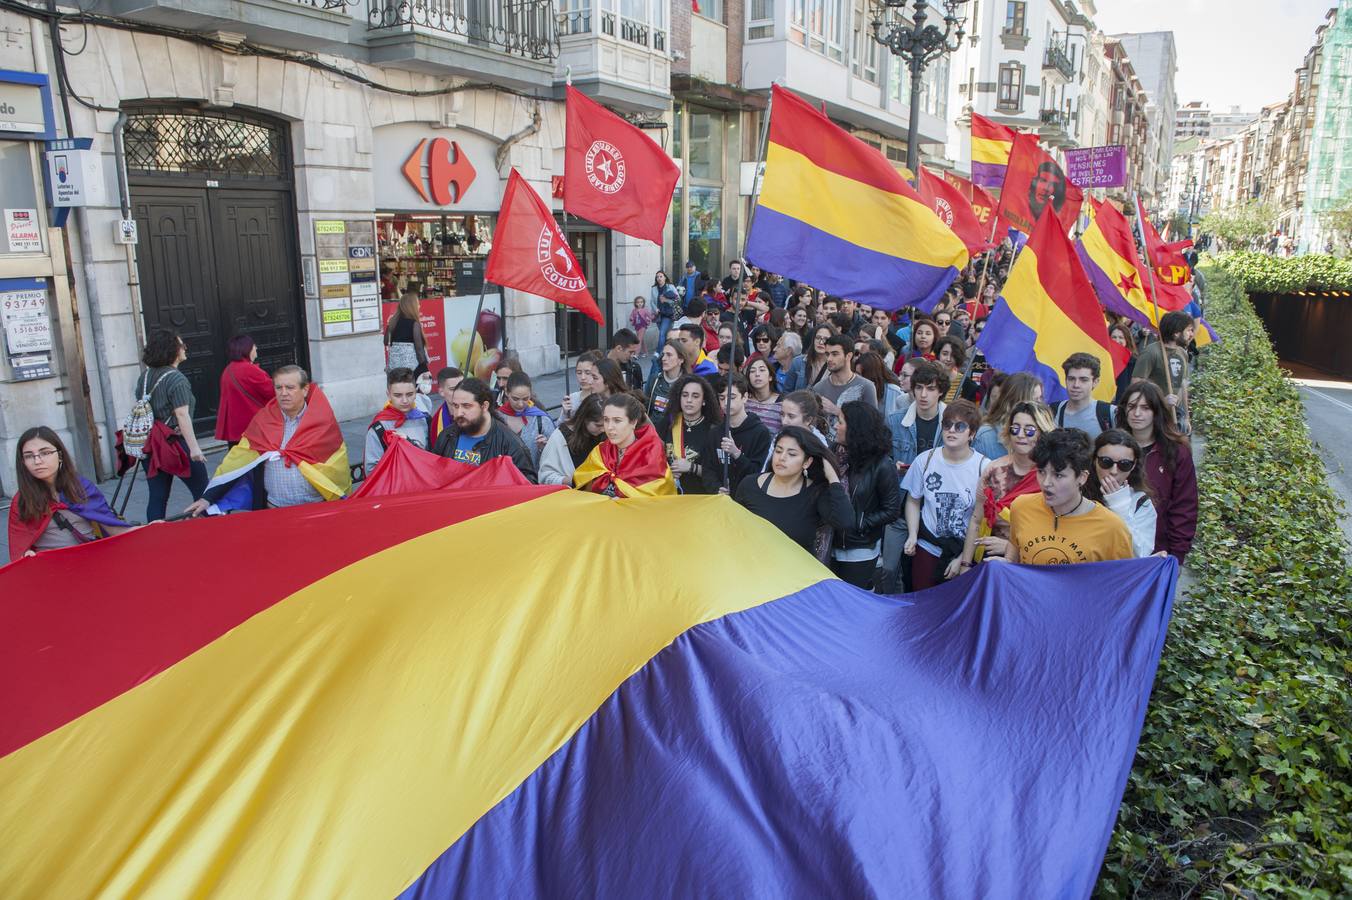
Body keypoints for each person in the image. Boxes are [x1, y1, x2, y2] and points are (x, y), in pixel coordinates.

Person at [186, 365, 350, 515]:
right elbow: (236, 462)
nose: (283, 393)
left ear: (305, 389)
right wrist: (207, 498)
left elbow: (337, 465)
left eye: (290, 388)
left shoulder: (322, 423)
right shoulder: (263, 422)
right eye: (279, 387)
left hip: (317, 510)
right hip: (274, 511)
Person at [999, 428, 1134, 564]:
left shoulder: (1113, 528)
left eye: (1058, 475)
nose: (1046, 483)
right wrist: (1001, 566)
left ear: (1082, 477)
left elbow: (1123, 580)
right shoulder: (1021, 507)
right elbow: (1013, 559)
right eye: (1041, 472)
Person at [8, 426, 133, 560]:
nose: (37, 461)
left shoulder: (82, 488)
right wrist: (25, 555)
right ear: (23, 462)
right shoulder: (22, 500)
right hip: (49, 568)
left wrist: (148, 530)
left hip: (91, 560)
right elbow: (19, 550)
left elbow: (113, 528)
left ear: (60, 455)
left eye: (45, 453)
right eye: (29, 456)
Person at [901, 399, 988, 588]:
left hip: (964, 550)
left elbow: (984, 519)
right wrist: (913, 535)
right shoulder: (925, 460)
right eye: (947, 424)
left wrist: (965, 558)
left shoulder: (984, 467)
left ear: (971, 433)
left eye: (960, 426)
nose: (952, 430)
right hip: (927, 547)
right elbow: (913, 500)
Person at [958, 400, 1054, 570]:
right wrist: (965, 564)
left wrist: (1010, 548)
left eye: (1029, 430)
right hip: (990, 560)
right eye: (1015, 428)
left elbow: (1056, 529)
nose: (1021, 435)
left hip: (1035, 563)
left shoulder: (1051, 475)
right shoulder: (993, 470)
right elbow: (976, 520)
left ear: (1042, 432)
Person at [734, 426, 854, 555]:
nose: (782, 458)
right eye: (778, 451)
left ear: (807, 462)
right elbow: (734, 528)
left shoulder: (815, 492)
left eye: (792, 454)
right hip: (753, 567)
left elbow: (845, 522)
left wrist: (833, 478)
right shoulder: (749, 485)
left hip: (797, 572)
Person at [1117, 381, 1197, 562]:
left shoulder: (1177, 452)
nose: (1137, 413)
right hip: (1116, 549)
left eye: (1145, 408)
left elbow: (1184, 506)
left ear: (1156, 411)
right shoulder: (1111, 447)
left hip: (1158, 551)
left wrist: (1177, 554)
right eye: (1132, 406)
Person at [133, 329, 208, 522]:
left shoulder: (145, 376)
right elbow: (182, 415)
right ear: (173, 350)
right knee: (203, 491)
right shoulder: (176, 379)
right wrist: (194, 449)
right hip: (174, 443)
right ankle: (211, 530)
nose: (185, 348)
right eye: (182, 345)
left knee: (158, 496)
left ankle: (156, 537)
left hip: (152, 444)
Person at [832, 401, 902, 588]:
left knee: (853, 602)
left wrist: (861, 523)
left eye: (840, 421)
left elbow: (892, 510)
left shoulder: (882, 465)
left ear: (855, 428)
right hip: (830, 541)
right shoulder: (833, 454)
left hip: (859, 548)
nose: (835, 426)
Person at [432, 377, 537, 481]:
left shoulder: (510, 444)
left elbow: (529, 485)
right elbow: (433, 474)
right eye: (455, 406)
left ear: (484, 406)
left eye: (466, 406)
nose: (459, 413)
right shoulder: (447, 436)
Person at [574, 393, 676, 497]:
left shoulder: (650, 456)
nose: (609, 427)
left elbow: (659, 500)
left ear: (633, 422)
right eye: (606, 420)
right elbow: (583, 488)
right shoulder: (600, 451)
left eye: (617, 420)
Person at [1085, 429, 1160, 559]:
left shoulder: (1140, 502)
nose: (1114, 471)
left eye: (1124, 465)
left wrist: (1120, 506)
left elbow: (1140, 554)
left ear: (1133, 465)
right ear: (1094, 460)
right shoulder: (1076, 492)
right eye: (1106, 462)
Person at [660, 374, 723, 495]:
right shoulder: (667, 423)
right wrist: (668, 470)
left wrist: (691, 467)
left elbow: (717, 472)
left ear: (704, 401)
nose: (689, 400)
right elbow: (653, 459)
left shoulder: (713, 430)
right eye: (685, 395)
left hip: (699, 497)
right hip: (668, 494)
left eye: (695, 396)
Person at [1132, 310, 1193, 433]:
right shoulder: (1151, 352)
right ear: (1176, 333)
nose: (1191, 334)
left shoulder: (1182, 353)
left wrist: (1186, 417)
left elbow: (1182, 386)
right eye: (1188, 330)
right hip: (1153, 418)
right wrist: (1161, 401)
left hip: (1174, 418)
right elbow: (1136, 386)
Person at [364, 367, 432, 473]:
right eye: (398, 395)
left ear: (415, 392)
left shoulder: (425, 420)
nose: (405, 400)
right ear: (389, 395)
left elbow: (434, 457)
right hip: (397, 487)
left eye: (409, 394)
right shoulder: (379, 428)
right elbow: (372, 471)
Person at [813, 335, 878, 441]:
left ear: (848, 356)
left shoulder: (866, 387)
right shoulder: (819, 388)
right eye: (827, 354)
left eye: (835, 354)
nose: (829, 359)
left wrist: (838, 411)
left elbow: (872, 426)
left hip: (856, 450)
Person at [714, 373, 774, 489]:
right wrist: (716, 488)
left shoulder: (760, 433)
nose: (726, 403)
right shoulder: (715, 432)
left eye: (732, 397)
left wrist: (736, 453)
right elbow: (709, 469)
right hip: (719, 500)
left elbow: (757, 473)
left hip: (747, 499)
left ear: (745, 397)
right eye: (722, 398)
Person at [214, 335, 275, 446]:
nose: (256, 348)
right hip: (253, 427)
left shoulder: (228, 369)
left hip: (235, 428)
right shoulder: (249, 370)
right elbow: (273, 392)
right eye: (253, 346)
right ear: (247, 349)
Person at [972, 371, 1043, 460]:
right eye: (1035, 399)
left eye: (1041, 398)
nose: (1040, 404)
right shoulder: (987, 436)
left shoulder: (1043, 432)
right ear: (1017, 401)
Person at [539, 394, 605, 486]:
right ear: (584, 419)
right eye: (598, 425)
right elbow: (545, 477)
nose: (603, 429)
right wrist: (575, 480)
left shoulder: (606, 434)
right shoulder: (560, 438)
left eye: (606, 424)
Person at [498, 371, 556, 468]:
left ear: (530, 394)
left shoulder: (541, 419)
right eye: (515, 399)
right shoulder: (496, 418)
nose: (520, 404)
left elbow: (555, 454)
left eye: (525, 399)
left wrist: (544, 448)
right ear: (507, 392)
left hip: (533, 480)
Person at [1054, 352, 1114, 439]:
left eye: (1083, 380)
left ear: (1095, 382)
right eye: (1071, 379)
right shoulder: (1051, 411)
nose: (1076, 385)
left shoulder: (1110, 413)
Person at [644, 338, 694, 432]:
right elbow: (645, 407)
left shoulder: (688, 384)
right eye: (663, 354)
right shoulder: (655, 379)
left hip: (676, 435)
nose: (663, 358)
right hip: (653, 434)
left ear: (681, 359)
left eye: (669, 355)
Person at [384, 290, 429, 375]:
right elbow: (419, 350)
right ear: (412, 307)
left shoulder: (393, 322)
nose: (419, 306)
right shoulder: (414, 324)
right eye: (418, 304)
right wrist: (424, 368)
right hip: (411, 370)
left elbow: (386, 341)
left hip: (395, 369)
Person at [854, 351, 907, 418]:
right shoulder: (854, 390)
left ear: (873, 375)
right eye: (857, 374)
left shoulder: (895, 392)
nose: (859, 378)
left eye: (863, 375)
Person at [560, 350, 605, 421]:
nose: (583, 377)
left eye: (588, 373)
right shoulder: (572, 398)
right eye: (579, 373)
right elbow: (559, 426)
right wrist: (565, 414)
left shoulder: (603, 398)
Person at [743, 356, 784, 434]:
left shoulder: (782, 402)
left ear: (770, 377)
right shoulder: (744, 400)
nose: (757, 374)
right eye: (752, 371)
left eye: (762, 370)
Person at [934, 336, 978, 403]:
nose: (948, 359)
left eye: (953, 355)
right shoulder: (929, 377)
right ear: (938, 354)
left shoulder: (967, 384)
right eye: (945, 354)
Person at [428, 366, 464, 446]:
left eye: (462, 387)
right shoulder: (435, 422)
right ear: (441, 392)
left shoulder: (476, 414)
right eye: (453, 389)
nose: (460, 392)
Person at [1108, 322, 1137, 404]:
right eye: (1114, 337)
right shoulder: (1105, 359)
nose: (1117, 340)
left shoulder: (1133, 360)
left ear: (1127, 340)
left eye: (1121, 337)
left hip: (1124, 403)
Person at [654, 270, 683, 347]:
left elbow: (678, 299)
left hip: (668, 313)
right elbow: (652, 302)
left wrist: (667, 300)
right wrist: (655, 309)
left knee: (662, 334)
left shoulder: (670, 286)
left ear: (665, 278)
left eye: (661, 276)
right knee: (664, 334)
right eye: (657, 277)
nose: (659, 278)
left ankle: (658, 353)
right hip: (658, 315)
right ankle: (668, 349)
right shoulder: (653, 288)